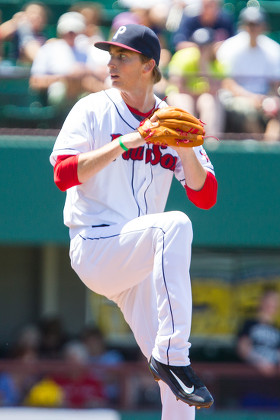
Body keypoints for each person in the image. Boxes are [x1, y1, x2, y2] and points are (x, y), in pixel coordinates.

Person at [50, 23, 217, 419]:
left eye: (122, 56)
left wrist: (185, 149)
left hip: (142, 260)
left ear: (149, 66)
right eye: (110, 55)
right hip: (95, 245)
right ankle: (174, 355)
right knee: (173, 225)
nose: (111, 63)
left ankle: (172, 367)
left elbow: (205, 195)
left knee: (179, 396)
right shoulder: (92, 108)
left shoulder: (172, 119)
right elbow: (63, 175)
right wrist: (129, 141)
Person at [217, 6, 280, 141]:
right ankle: (259, 150)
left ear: (263, 26)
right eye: (249, 24)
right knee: (247, 112)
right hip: (235, 98)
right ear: (243, 25)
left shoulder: (273, 48)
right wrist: (253, 99)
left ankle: (268, 149)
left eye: (256, 24)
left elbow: (275, 84)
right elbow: (226, 82)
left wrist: (271, 100)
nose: (253, 28)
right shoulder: (230, 47)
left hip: (264, 98)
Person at [29, 11, 107, 109]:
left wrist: (85, 71)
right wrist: (65, 77)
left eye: (74, 31)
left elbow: (102, 73)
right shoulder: (48, 49)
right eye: (67, 31)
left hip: (84, 95)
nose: (71, 34)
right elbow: (35, 82)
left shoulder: (87, 49)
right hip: (58, 98)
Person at [166, 27, 226, 136]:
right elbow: (178, 87)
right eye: (199, 45)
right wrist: (198, 92)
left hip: (201, 96)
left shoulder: (217, 62)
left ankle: (211, 141)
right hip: (181, 95)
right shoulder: (183, 56)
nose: (202, 49)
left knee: (209, 101)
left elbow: (215, 89)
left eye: (206, 45)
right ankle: (187, 139)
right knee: (184, 101)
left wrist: (204, 65)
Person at [237, 289, 280, 377]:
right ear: (262, 302)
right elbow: (242, 348)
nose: (272, 305)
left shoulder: (277, 330)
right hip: (251, 375)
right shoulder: (249, 323)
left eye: (275, 303)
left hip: (272, 377)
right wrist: (259, 362)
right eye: (269, 302)